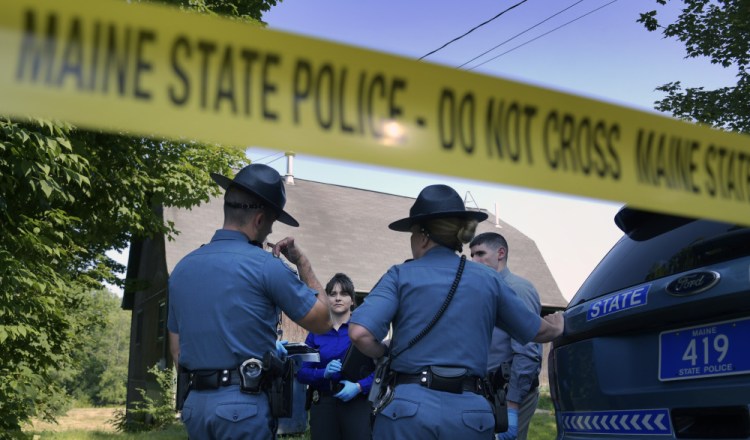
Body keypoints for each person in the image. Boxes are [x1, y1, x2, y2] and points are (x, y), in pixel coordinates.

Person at [348, 184, 564, 440]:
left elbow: (360, 333)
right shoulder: (488, 280)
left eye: (413, 233)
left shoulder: (400, 274)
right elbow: (537, 331)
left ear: (424, 236)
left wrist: (385, 352)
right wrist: (557, 325)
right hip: (470, 417)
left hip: (406, 413)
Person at [167, 163, 332, 440]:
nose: (269, 232)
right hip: (243, 406)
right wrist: (302, 262)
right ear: (259, 220)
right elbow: (324, 321)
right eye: (270, 223)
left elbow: (177, 352)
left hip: (195, 406)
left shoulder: (182, 268)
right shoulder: (266, 266)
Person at [470, 232, 544, 440]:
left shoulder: (517, 289)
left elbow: (529, 352)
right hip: (489, 392)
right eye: (472, 255)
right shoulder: (487, 289)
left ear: (500, 253)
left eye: (480, 253)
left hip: (511, 394)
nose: (474, 260)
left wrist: (512, 406)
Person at [297, 273, 373, 440]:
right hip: (325, 405)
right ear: (327, 299)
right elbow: (302, 373)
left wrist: (360, 386)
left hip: (357, 404)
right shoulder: (316, 333)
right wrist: (323, 373)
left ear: (352, 300)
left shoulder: (363, 331)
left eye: (344, 294)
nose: (338, 298)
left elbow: (381, 370)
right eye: (333, 294)